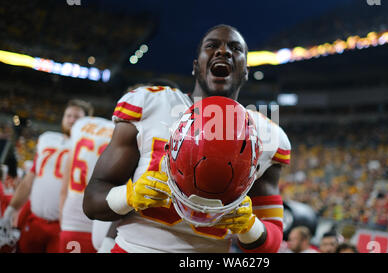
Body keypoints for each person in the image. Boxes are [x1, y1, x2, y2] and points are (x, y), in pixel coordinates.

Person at [83, 24, 291, 253]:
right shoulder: (151, 104)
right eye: (212, 45)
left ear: (245, 71)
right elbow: (93, 201)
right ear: (195, 66)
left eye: (235, 48)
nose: (223, 52)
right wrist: (129, 196)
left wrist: (250, 227)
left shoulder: (267, 135)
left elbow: (272, 241)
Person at [0, 99, 92, 253]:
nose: (71, 120)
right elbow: (29, 181)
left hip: (63, 225)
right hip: (35, 221)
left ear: (87, 121)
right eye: (68, 115)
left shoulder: (89, 148)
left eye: (77, 116)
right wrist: (10, 211)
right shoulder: (48, 139)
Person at [59, 115, 115, 253]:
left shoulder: (81, 128)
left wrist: (62, 219)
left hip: (72, 221)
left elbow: (64, 186)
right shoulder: (127, 132)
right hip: (105, 225)